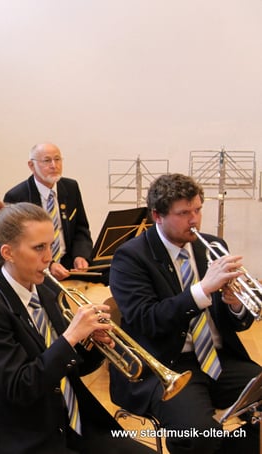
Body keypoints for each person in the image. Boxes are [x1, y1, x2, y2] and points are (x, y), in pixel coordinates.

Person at [0, 199, 154, 454]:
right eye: (39, 248)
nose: (49, 258)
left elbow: (71, 367)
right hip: (26, 434)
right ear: (8, 253)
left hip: (71, 419)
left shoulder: (45, 289)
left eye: (51, 246)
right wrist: (71, 336)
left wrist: (94, 344)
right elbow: (21, 387)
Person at [109, 173, 261, 454]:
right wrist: (202, 290)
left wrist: (235, 304)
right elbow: (147, 320)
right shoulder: (130, 257)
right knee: (198, 435)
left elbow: (238, 323)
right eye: (183, 213)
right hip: (165, 365)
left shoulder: (212, 246)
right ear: (157, 216)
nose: (194, 220)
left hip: (218, 359)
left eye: (198, 210)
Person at [3, 143, 93, 281]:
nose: (54, 165)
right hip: (37, 268)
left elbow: (81, 228)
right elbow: (19, 246)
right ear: (31, 165)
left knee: (115, 268)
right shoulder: (17, 196)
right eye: (47, 161)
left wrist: (80, 256)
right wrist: (49, 265)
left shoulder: (71, 187)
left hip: (68, 263)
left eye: (57, 159)